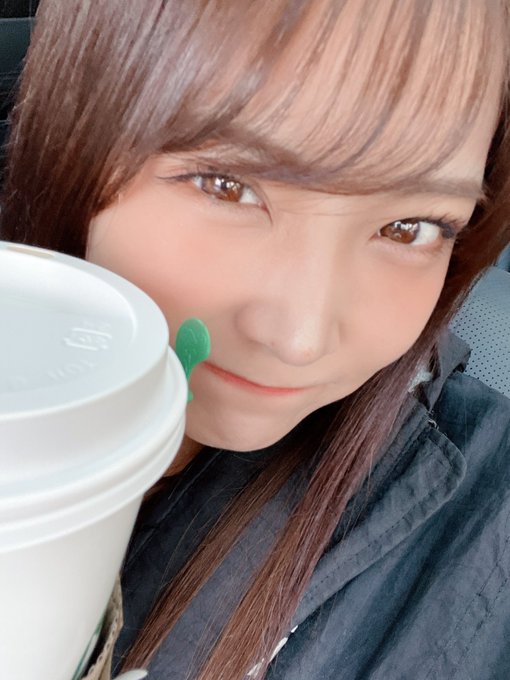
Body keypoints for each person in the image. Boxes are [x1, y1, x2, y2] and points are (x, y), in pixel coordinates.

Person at [1, 1, 510, 678]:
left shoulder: (485, 520)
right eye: (226, 186)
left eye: (409, 228)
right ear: (72, 141)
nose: (300, 339)